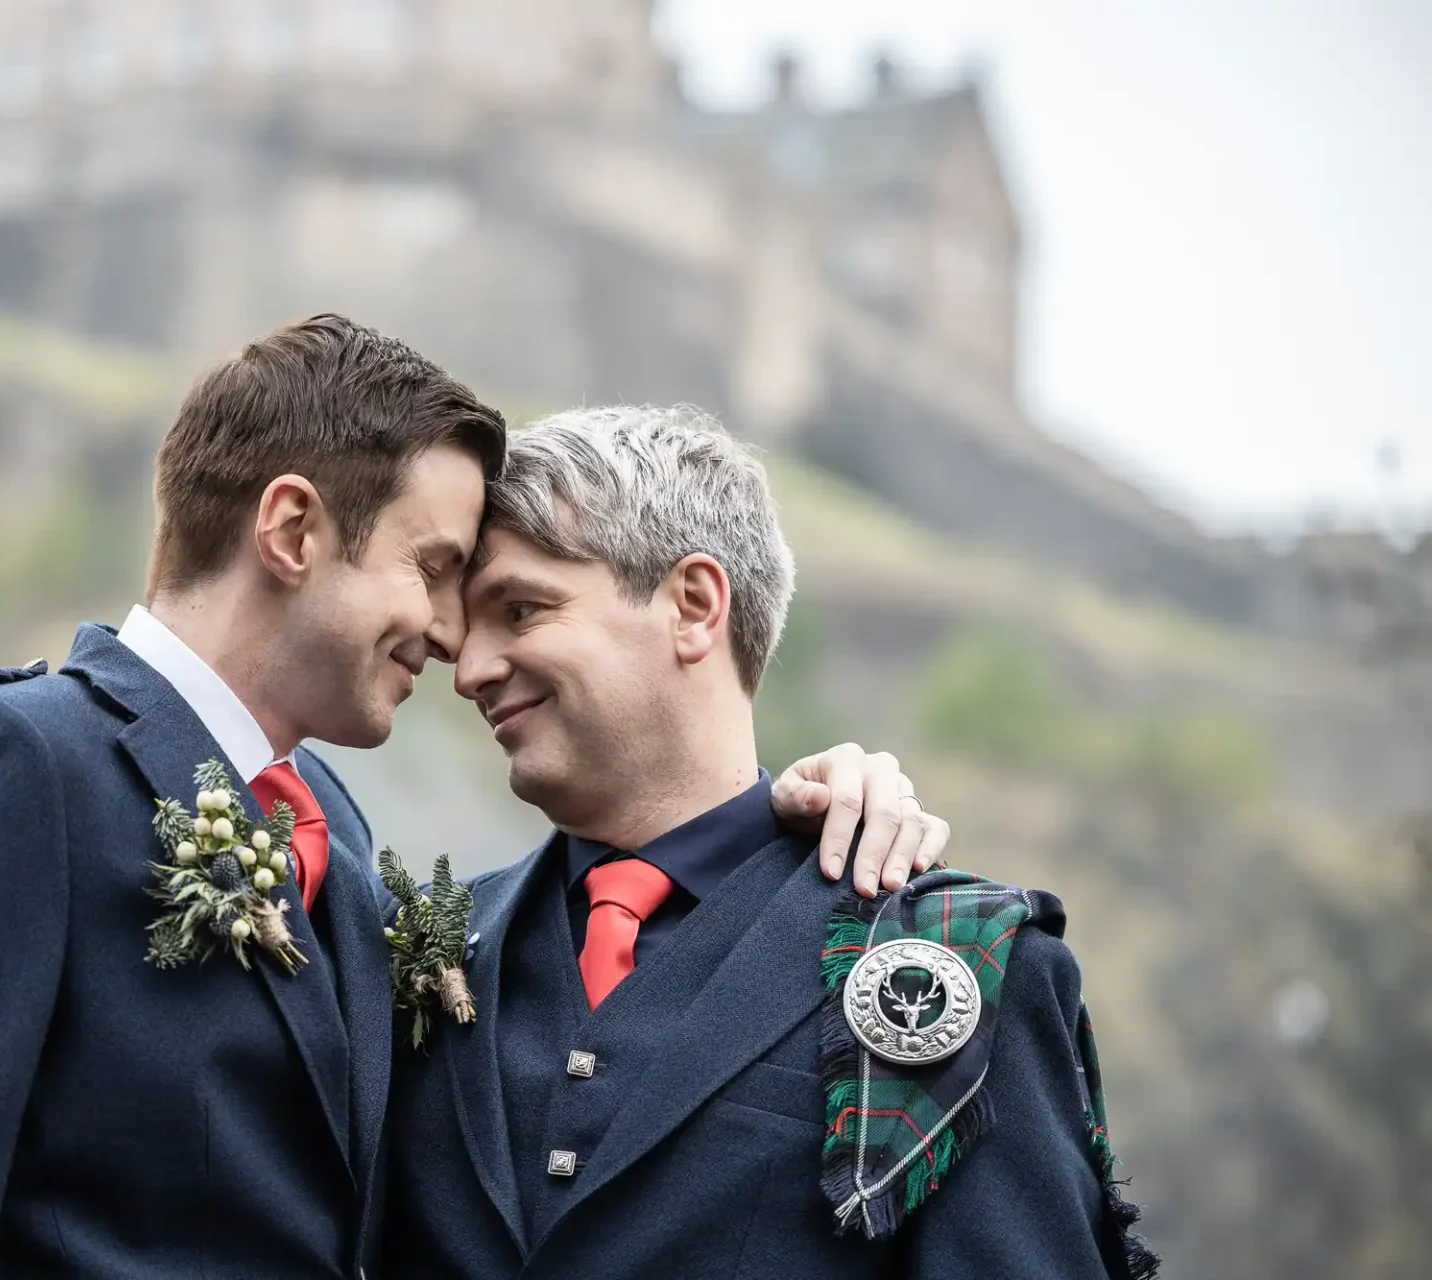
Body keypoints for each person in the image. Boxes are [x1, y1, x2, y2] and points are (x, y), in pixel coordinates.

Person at [0, 317, 948, 1279]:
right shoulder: (27, 763)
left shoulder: (335, 823)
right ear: (290, 529)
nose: (449, 639)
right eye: (432, 572)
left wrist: (785, 815)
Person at [383, 404, 1151, 1279]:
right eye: (465, 634)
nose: (471, 669)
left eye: (520, 611)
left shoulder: (955, 959)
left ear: (694, 606)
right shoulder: (403, 948)